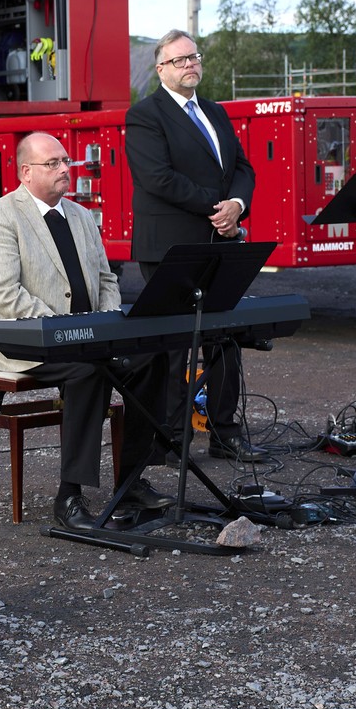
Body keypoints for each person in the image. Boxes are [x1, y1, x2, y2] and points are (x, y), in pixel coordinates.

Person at [0, 132, 171, 530]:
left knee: (152, 357)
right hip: (24, 338)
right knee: (88, 371)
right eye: (53, 163)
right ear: (26, 172)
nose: (65, 169)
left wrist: (104, 322)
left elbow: (106, 278)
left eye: (66, 161)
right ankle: (69, 497)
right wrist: (68, 329)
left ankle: (132, 479)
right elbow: (4, 292)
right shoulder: (0, 214)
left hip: (88, 336)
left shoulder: (81, 216)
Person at [125, 30, 264, 462]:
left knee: (224, 340)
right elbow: (157, 178)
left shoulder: (216, 112)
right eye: (180, 60)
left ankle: (225, 433)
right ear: (161, 68)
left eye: (194, 57)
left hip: (218, 241)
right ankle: (167, 440)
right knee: (171, 346)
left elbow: (241, 166)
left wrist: (237, 205)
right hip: (170, 245)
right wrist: (218, 207)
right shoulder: (145, 115)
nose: (190, 65)